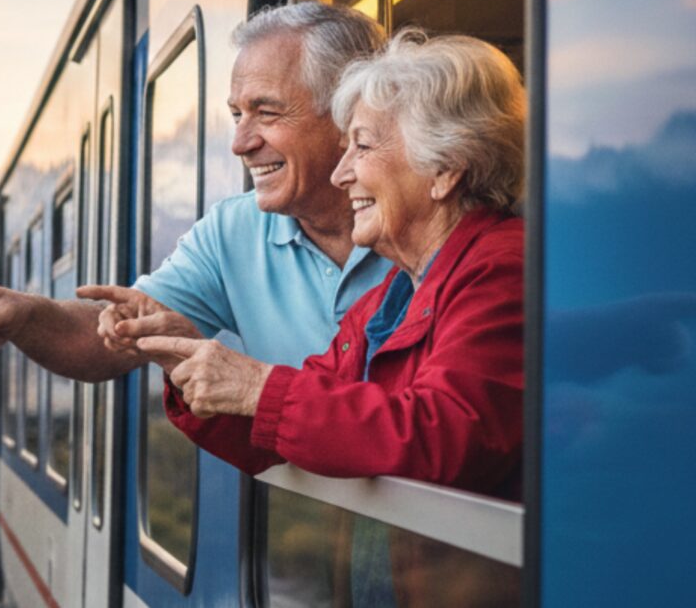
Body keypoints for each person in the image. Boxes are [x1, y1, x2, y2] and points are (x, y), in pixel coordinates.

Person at [0, 2, 391, 379]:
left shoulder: (435, 221)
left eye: (267, 113)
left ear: (350, 114)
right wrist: (25, 316)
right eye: (237, 115)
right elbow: (108, 336)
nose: (241, 143)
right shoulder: (232, 231)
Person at [135, 31, 526, 499]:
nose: (342, 175)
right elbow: (286, 434)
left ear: (444, 169)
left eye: (361, 148)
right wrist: (192, 370)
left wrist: (256, 387)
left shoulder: (504, 269)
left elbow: (449, 436)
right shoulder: (391, 299)